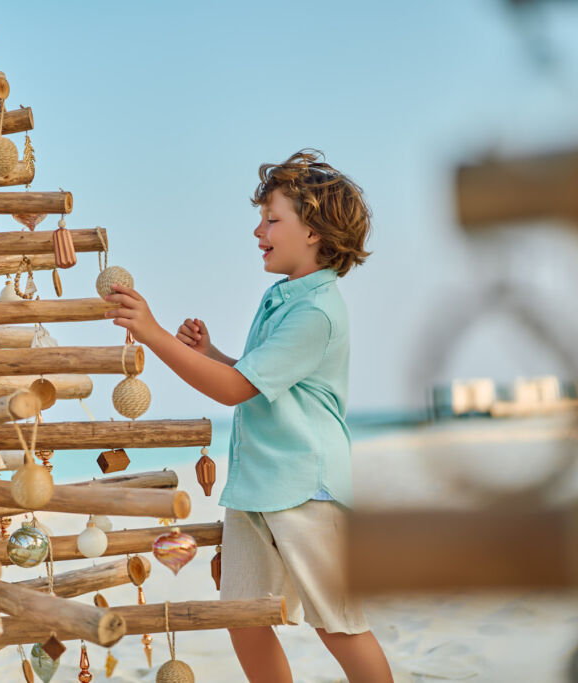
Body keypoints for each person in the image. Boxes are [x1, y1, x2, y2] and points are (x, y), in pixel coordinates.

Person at [104, 149, 393, 683]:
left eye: (271, 219)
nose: (257, 229)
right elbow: (259, 381)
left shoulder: (317, 311)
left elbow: (235, 392)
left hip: (307, 489)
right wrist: (210, 353)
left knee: (339, 624)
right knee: (243, 618)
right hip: (255, 484)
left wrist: (155, 334)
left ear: (313, 232)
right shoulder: (279, 298)